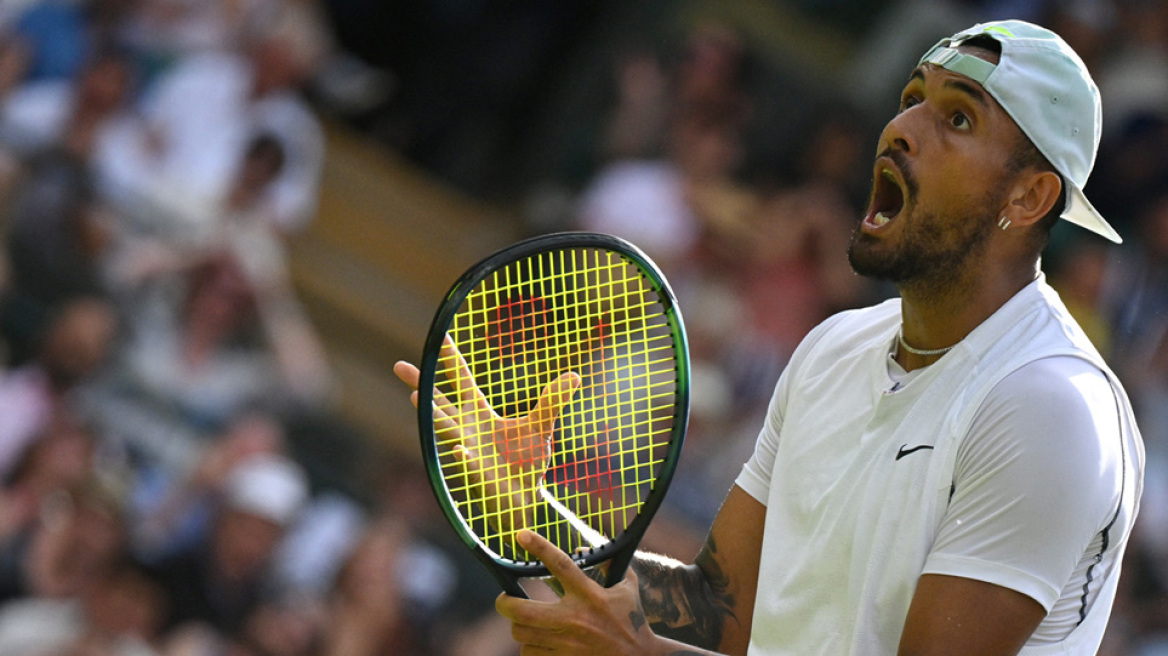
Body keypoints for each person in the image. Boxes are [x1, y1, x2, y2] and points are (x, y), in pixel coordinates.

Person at [395, 19, 1144, 654]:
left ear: (1030, 195)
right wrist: (531, 506)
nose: (902, 130)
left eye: (957, 119)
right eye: (911, 99)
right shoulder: (833, 349)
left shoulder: (1053, 409)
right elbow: (721, 603)